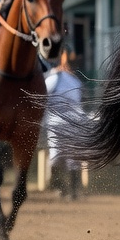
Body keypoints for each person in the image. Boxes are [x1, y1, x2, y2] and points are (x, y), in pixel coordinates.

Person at [44, 49, 84, 200]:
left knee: (72, 160)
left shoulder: (75, 81)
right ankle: (60, 186)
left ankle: (73, 192)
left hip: (73, 123)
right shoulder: (54, 77)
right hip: (55, 123)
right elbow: (42, 96)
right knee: (55, 158)